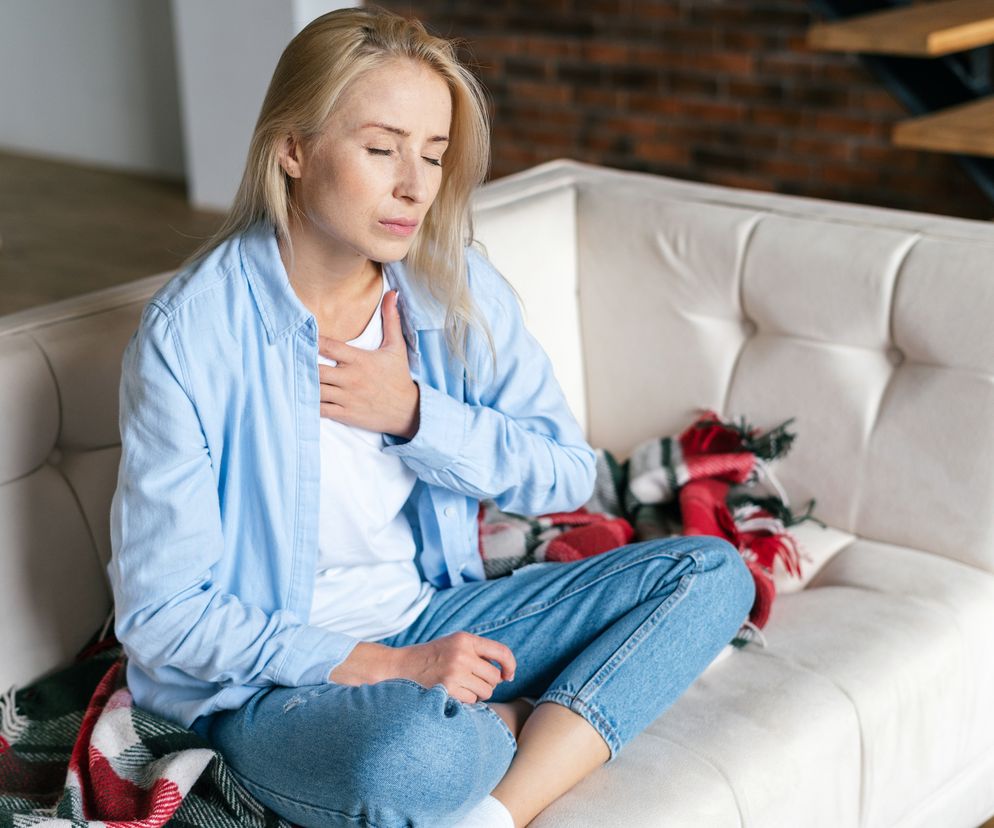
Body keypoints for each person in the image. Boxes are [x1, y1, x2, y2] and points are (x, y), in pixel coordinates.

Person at [106, 6, 755, 828]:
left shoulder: (453, 288)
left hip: (436, 615)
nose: (415, 185)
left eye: (434, 155)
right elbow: (165, 614)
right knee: (411, 756)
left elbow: (566, 470)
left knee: (710, 575)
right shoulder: (193, 335)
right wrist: (392, 667)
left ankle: (493, 811)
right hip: (274, 683)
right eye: (382, 150)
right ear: (294, 149)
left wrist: (416, 415)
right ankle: (525, 722)